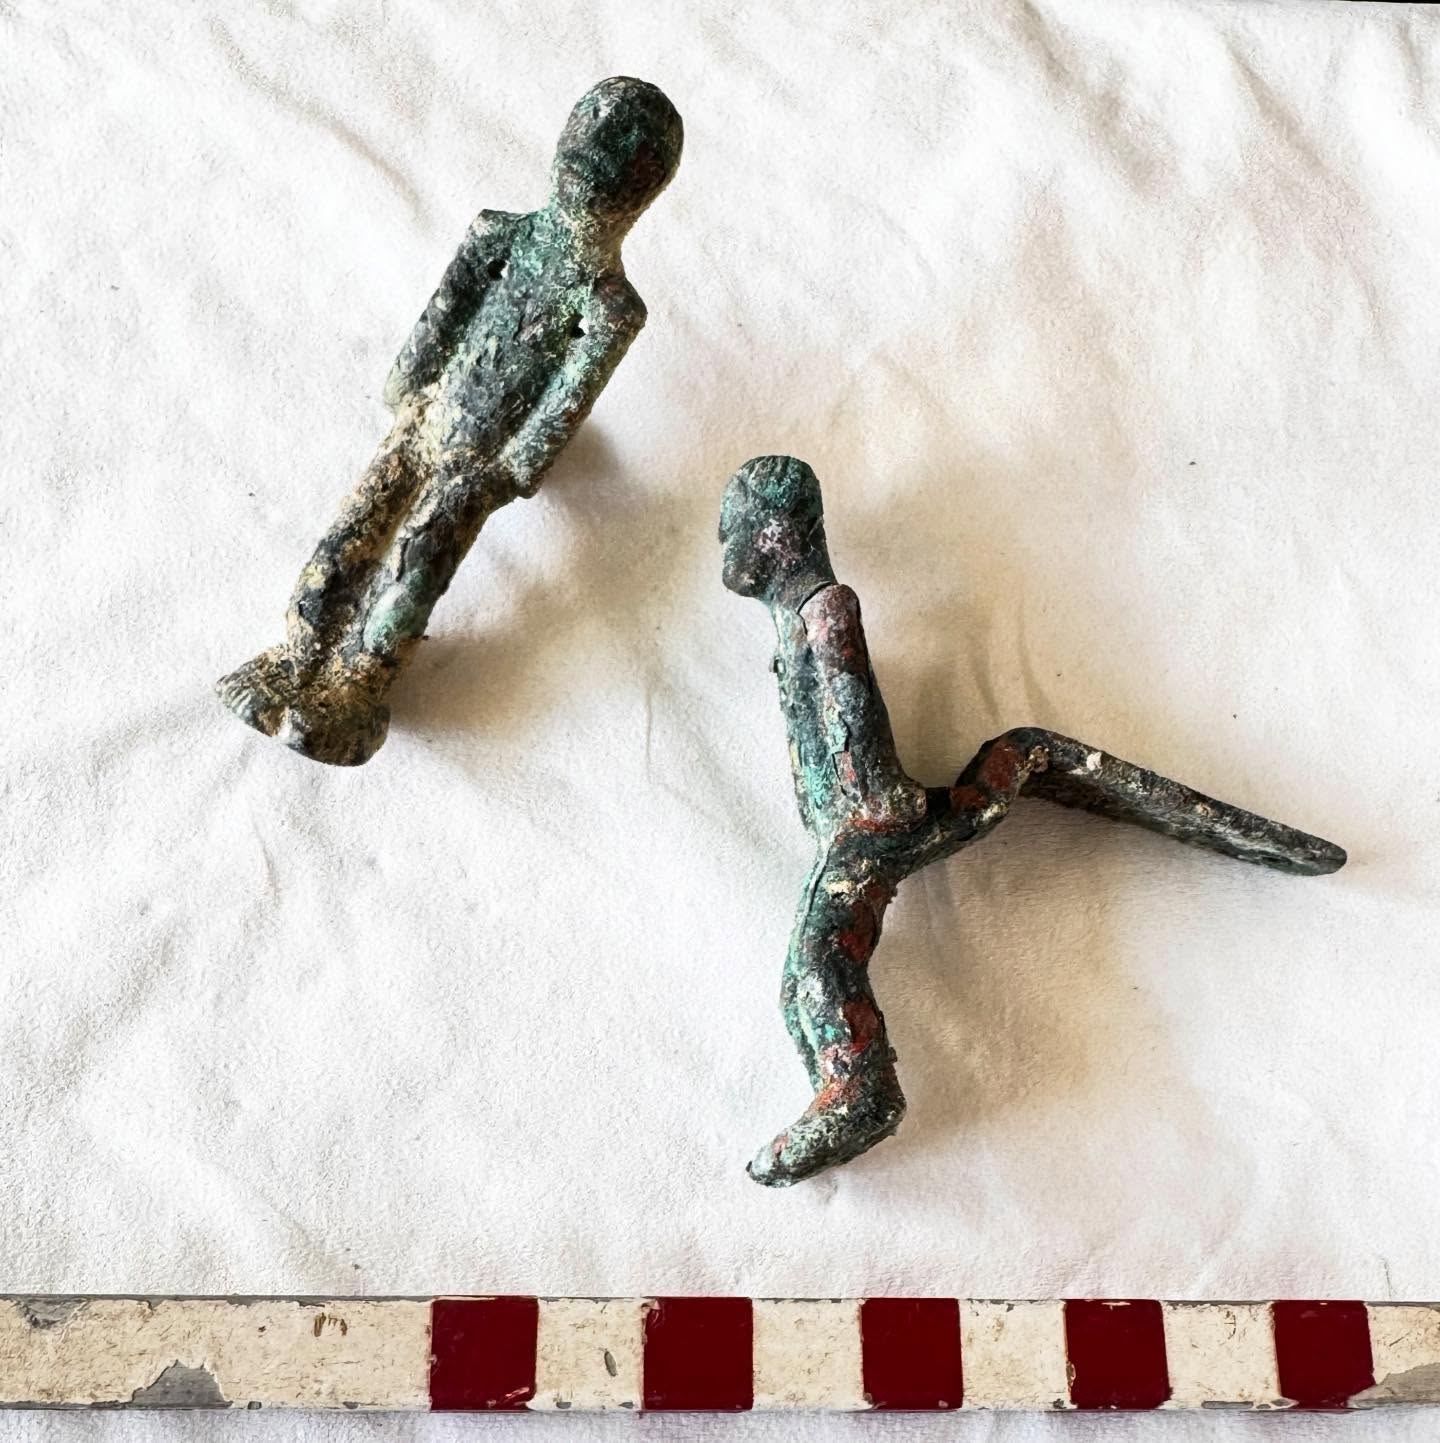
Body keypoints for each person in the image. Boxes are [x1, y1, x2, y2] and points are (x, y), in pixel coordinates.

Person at [719, 455, 1346, 1186]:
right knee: (802, 984)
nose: (726, 549)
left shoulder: (824, 608)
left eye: (731, 528)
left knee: (818, 966)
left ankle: (863, 1093)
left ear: (775, 528)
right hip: (852, 828)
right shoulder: (796, 613)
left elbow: (850, 714)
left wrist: (876, 810)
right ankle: (842, 1088)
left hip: (867, 822)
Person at [218, 78, 683, 765]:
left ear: (643, 190)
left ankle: (356, 688)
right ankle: (296, 654)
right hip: (426, 420)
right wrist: (409, 396)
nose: (593, 163)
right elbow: (441, 321)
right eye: (587, 140)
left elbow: (564, 403)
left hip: (480, 462)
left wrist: (510, 470)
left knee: (417, 562)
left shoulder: (610, 306)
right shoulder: (499, 234)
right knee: (351, 532)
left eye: (619, 158)